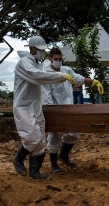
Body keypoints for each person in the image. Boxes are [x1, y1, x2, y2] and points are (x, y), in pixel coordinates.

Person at [12, 36, 76, 179]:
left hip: (36, 106)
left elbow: (41, 74)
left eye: (43, 50)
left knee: (40, 141)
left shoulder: (37, 63)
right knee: (32, 138)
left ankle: (35, 172)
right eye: (39, 50)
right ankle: (18, 158)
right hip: (23, 106)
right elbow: (38, 77)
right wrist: (60, 77)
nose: (42, 53)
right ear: (31, 48)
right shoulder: (25, 63)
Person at [42, 47, 104, 174]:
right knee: (55, 136)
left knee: (73, 134)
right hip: (55, 110)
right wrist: (50, 113)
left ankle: (63, 156)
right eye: (55, 59)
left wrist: (94, 82)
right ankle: (53, 164)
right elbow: (46, 96)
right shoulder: (46, 75)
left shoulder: (66, 70)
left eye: (60, 59)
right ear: (50, 59)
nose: (58, 61)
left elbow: (78, 78)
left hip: (69, 109)